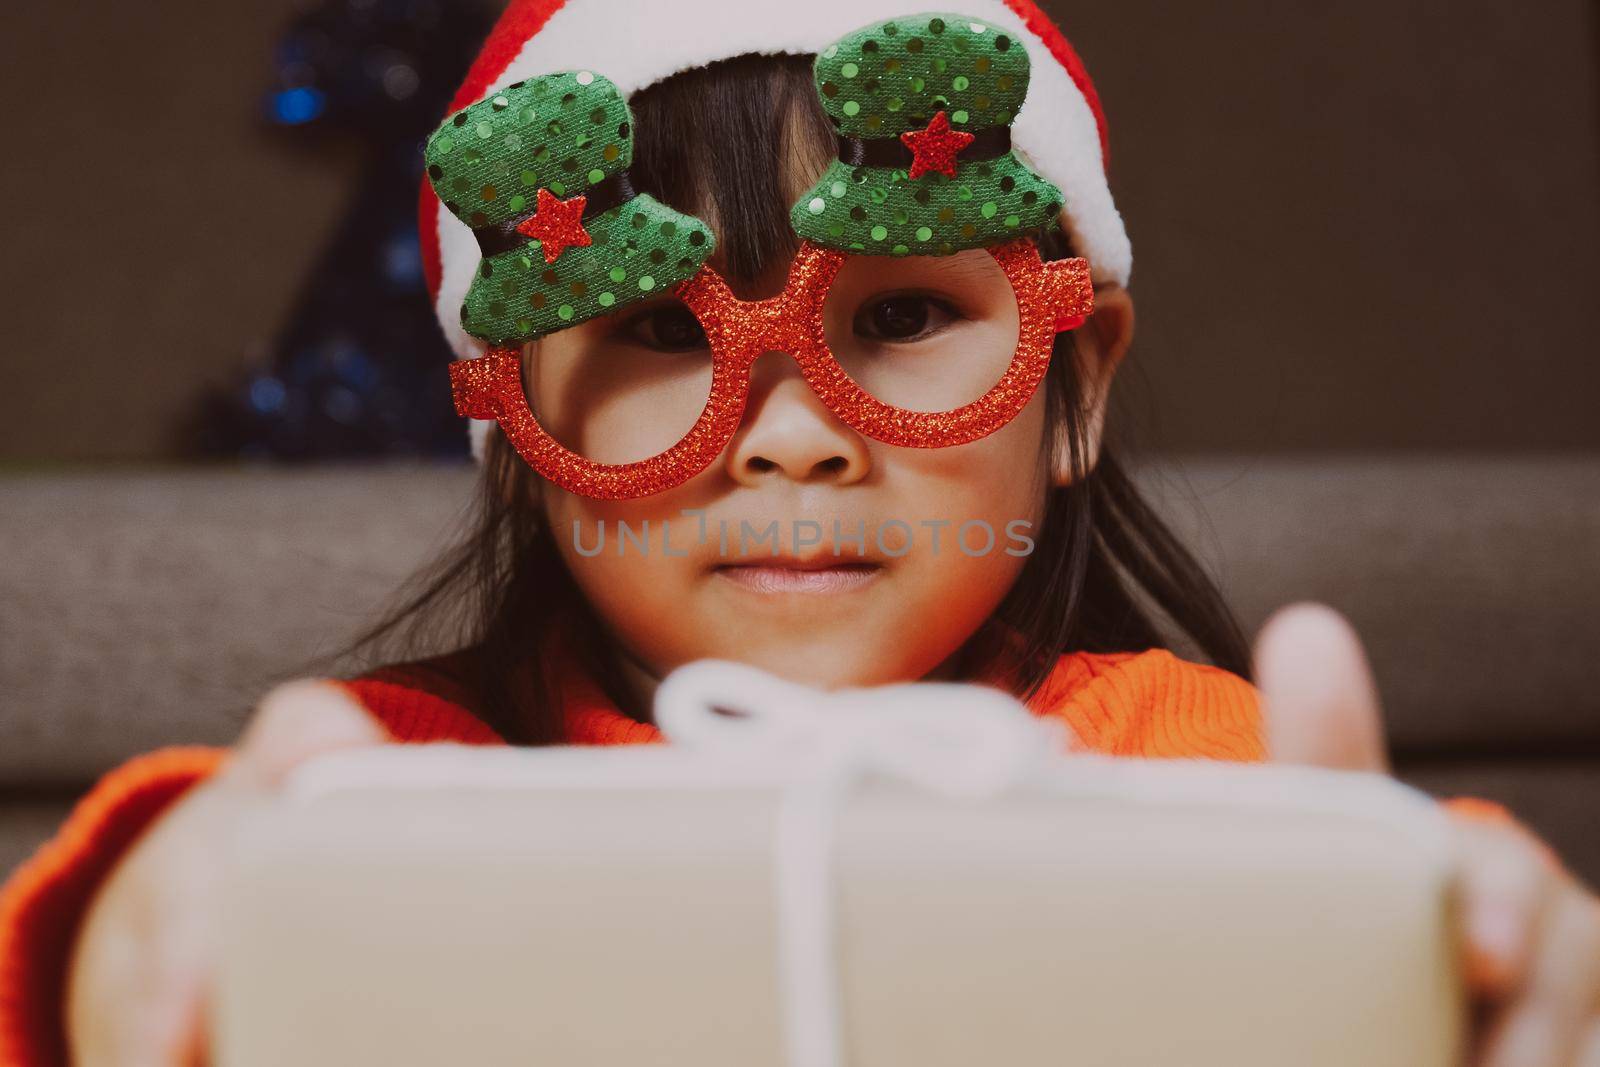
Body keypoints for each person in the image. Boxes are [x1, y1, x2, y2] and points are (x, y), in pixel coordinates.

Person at [4, 3, 1597, 1065]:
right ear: (513, 438)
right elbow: (162, 914)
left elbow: (1466, 969)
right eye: (659, 331)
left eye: (901, 316)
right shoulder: (379, 790)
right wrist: (140, 941)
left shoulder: (1221, 790)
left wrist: (1475, 973)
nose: (790, 433)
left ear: (1073, 387)